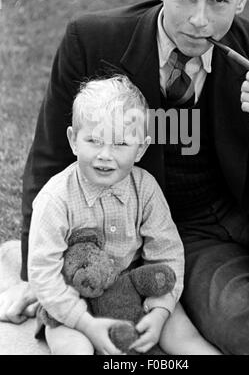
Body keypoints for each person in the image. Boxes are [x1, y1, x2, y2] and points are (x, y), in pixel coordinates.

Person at [1, 0, 249, 355]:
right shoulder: (91, 41)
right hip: (186, 230)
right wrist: (33, 277)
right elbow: (48, 161)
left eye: (218, 1)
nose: (198, 20)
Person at [27, 75, 186, 355]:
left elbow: (167, 250)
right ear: (73, 140)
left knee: (182, 333)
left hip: (129, 286)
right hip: (73, 295)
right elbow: (43, 273)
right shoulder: (56, 199)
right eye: (94, 140)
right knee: (74, 347)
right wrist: (86, 324)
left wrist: (160, 310)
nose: (105, 155)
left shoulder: (145, 188)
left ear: (141, 148)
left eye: (120, 144)